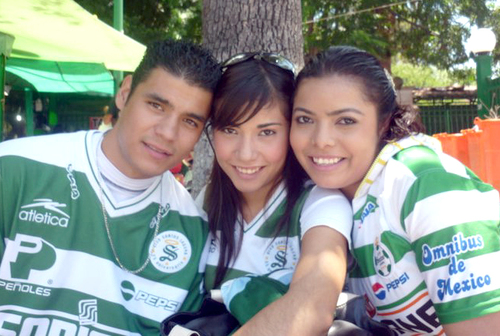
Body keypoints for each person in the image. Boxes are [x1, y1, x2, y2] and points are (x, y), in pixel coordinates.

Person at [0, 39, 220, 335]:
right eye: (156, 105)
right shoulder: (16, 169)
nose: (168, 132)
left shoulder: (194, 231)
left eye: (190, 121)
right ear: (125, 93)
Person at [290, 45, 500, 335]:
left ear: (383, 122)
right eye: (305, 119)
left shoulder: (423, 183)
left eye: (346, 121)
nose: (321, 140)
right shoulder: (324, 196)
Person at [198, 52, 352, 336]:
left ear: (293, 130)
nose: (245, 153)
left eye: (266, 132)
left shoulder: (320, 203)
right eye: (230, 129)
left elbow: (312, 309)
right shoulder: (205, 203)